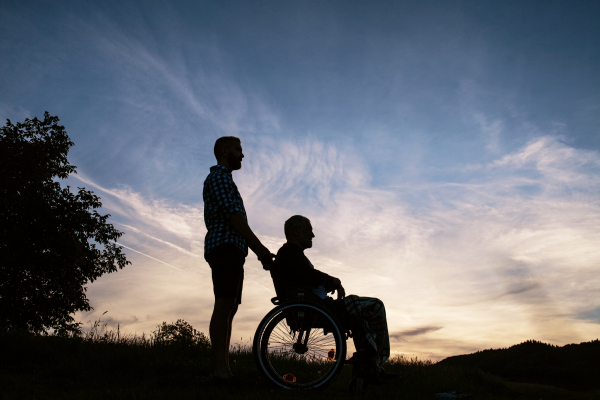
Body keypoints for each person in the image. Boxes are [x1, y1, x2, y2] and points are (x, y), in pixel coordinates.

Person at [269, 215, 396, 383]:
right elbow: (305, 275)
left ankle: (370, 368)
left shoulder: (293, 255)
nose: (312, 235)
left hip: (317, 305)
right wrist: (331, 280)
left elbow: (305, 277)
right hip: (317, 308)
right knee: (375, 306)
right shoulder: (289, 252)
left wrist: (326, 283)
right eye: (309, 230)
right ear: (295, 231)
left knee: (361, 317)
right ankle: (372, 365)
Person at [203, 136, 274, 380]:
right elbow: (234, 218)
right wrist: (260, 250)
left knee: (230, 307)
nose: (242, 154)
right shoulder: (219, 177)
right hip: (223, 246)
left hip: (232, 249)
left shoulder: (226, 179)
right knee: (224, 305)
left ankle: (225, 370)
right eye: (238, 149)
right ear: (225, 151)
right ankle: (220, 370)